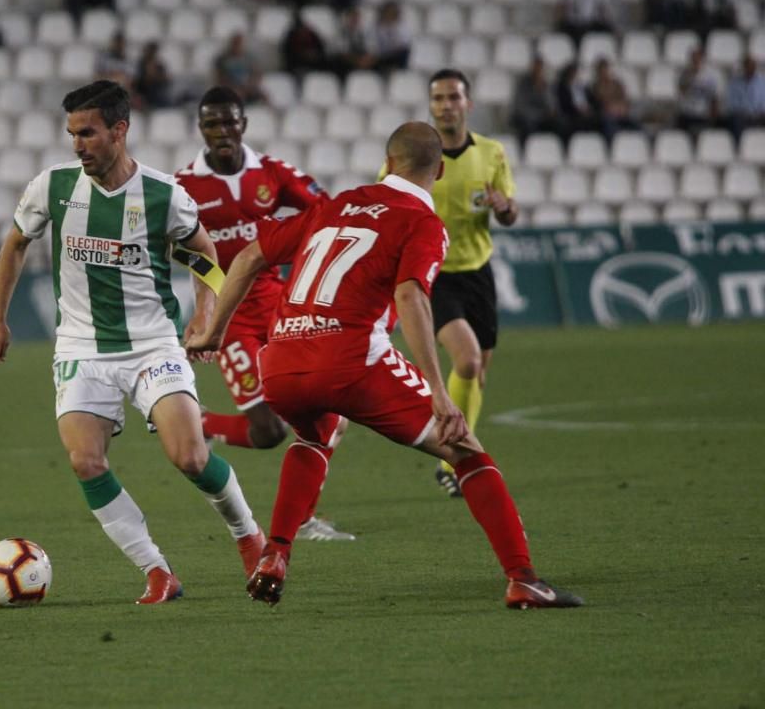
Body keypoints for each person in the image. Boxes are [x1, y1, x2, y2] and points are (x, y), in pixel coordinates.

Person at [186, 121, 583, 610]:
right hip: (350, 360)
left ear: (388, 162)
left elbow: (248, 257)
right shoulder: (421, 222)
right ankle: (523, 578)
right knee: (465, 450)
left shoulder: (332, 206)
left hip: (282, 360)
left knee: (315, 435)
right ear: (438, 171)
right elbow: (411, 295)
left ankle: (276, 553)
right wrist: (440, 393)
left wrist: (214, 332)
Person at [0, 80, 266, 604]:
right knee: (85, 461)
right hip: (81, 350)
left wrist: (206, 313)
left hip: (153, 345)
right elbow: (16, 244)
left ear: (119, 130)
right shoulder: (53, 187)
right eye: (71, 134)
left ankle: (249, 536)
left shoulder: (164, 196)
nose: (78, 144)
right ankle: (158, 571)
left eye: (87, 133)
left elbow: (205, 257)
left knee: (190, 457)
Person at [175, 86, 353, 542]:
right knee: (269, 431)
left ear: (243, 125)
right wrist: (205, 309)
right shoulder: (185, 187)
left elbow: (327, 212)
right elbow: (178, 247)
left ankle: (305, 519)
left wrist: (304, 263)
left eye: (230, 122)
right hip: (231, 319)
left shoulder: (273, 174)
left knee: (329, 412)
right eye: (212, 124)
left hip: (281, 306)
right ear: (201, 129)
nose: (222, 132)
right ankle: (205, 425)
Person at [386, 70, 518, 498]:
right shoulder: (416, 155)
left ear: (468, 104)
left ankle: (457, 450)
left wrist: (504, 208)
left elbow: (510, 214)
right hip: (433, 274)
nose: (446, 104)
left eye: (454, 97)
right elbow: (385, 203)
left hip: (478, 271)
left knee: (477, 373)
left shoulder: (492, 154)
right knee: (468, 359)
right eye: (439, 98)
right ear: (430, 105)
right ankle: (453, 459)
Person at [509, 56, 562, 144]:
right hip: (526, 116)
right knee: (528, 124)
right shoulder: (523, 83)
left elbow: (551, 104)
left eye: (540, 68)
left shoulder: (545, 84)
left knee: (559, 124)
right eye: (537, 67)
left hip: (542, 116)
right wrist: (540, 115)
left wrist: (542, 90)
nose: (539, 70)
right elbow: (521, 107)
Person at [677, 47, 724, 136]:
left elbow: (715, 97)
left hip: (704, 113)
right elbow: (682, 91)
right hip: (688, 113)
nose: (695, 61)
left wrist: (713, 116)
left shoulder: (711, 75)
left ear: (702, 59)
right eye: (693, 59)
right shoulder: (685, 74)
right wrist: (691, 76)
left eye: (697, 58)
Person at [590, 58, 640, 140]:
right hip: (607, 113)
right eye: (602, 70)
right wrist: (611, 108)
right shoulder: (595, 86)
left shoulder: (617, 83)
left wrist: (622, 107)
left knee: (635, 120)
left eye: (605, 69)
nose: (604, 72)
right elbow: (599, 102)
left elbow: (624, 98)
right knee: (609, 122)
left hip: (621, 110)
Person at [213, 33, 267, 104]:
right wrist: (233, 87)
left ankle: (273, 112)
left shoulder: (249, 58)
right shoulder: (223, 59)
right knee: (237, 95)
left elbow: (256, 74)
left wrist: (250, 85)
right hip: (232, 88)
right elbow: (220, 78)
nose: (238, 46)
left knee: (264, 95)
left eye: (239, 44)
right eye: (235, 43)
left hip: (248, 86)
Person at [555, 60, 603, 140]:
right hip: (573, 113)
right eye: (572, 73)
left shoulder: (583, 87)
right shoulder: (562, 88)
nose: (575, 75)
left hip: (587, 112)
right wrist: (579, 109)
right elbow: (565, 104)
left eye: (575, 73)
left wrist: (589, 109)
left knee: (600, 119)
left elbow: (593, 100)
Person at [366, 0, 412, 75]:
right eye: (388, 12)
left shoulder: (401, 26)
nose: (390, 15)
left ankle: (399, 72)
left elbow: (404, 43)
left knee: (404, 53)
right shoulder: (376, 27)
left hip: (395, 55)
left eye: (392, 12)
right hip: (380, 55)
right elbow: (373, 44)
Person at [727, 55, 765, 140]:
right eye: (747, 66)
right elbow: (732, 104)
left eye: (752, 66)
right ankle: (739, 147)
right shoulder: (735, 83)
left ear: (755, 67)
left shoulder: (762, 82)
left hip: (758, 115)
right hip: (742, 116)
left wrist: (760, 112)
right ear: (744, 67)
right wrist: (743, 112)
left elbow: (763, 102)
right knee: (736, 120)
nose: (749, 69)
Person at [134, 41, 174, 109]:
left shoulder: (159, 65)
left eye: (153, 51)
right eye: (150, 51)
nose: (152, 53)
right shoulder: (140, 64)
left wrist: (158, 76)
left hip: (158, 95)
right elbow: (139, 82)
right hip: (144, 95)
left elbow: (166, 79)